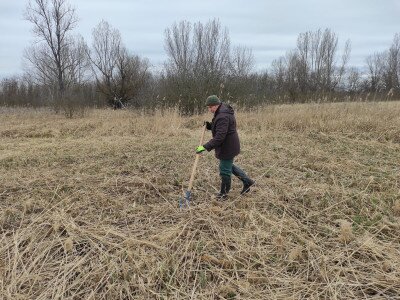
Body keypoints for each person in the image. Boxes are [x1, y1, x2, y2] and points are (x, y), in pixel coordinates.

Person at [196, 95, 254, 199]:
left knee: (224, 169)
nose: (209, 110)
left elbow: (219, 137)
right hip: (229, 144)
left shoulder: (223, 115)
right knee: (228, 166)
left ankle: (224, 194)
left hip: (227, 146)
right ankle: (248, 181)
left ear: (216, 105)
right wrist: (210, 125)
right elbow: (220, 127)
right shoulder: (222, 111)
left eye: (210, 107)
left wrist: (204, 147)